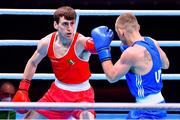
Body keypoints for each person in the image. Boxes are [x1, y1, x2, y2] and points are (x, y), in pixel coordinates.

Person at [12, 6, 96, 120]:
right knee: (29, 118)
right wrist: (23, 89)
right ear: (56, 25)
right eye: (65, 24)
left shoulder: (80, 42)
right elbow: (32, 63)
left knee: (87, 117)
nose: (70, 28)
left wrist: (101, 46)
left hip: (82, 95)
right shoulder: (46, 43)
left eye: (72, 23)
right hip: (57, 93)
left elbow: (93, 44)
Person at [91, 12, 169, 119]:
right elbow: (166, 64)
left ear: (121, 32)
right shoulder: (152, 42)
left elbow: (111, 76)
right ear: (138, 27)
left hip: (147, 111)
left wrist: (103, 50)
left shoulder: (131, 53)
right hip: (159, 103)